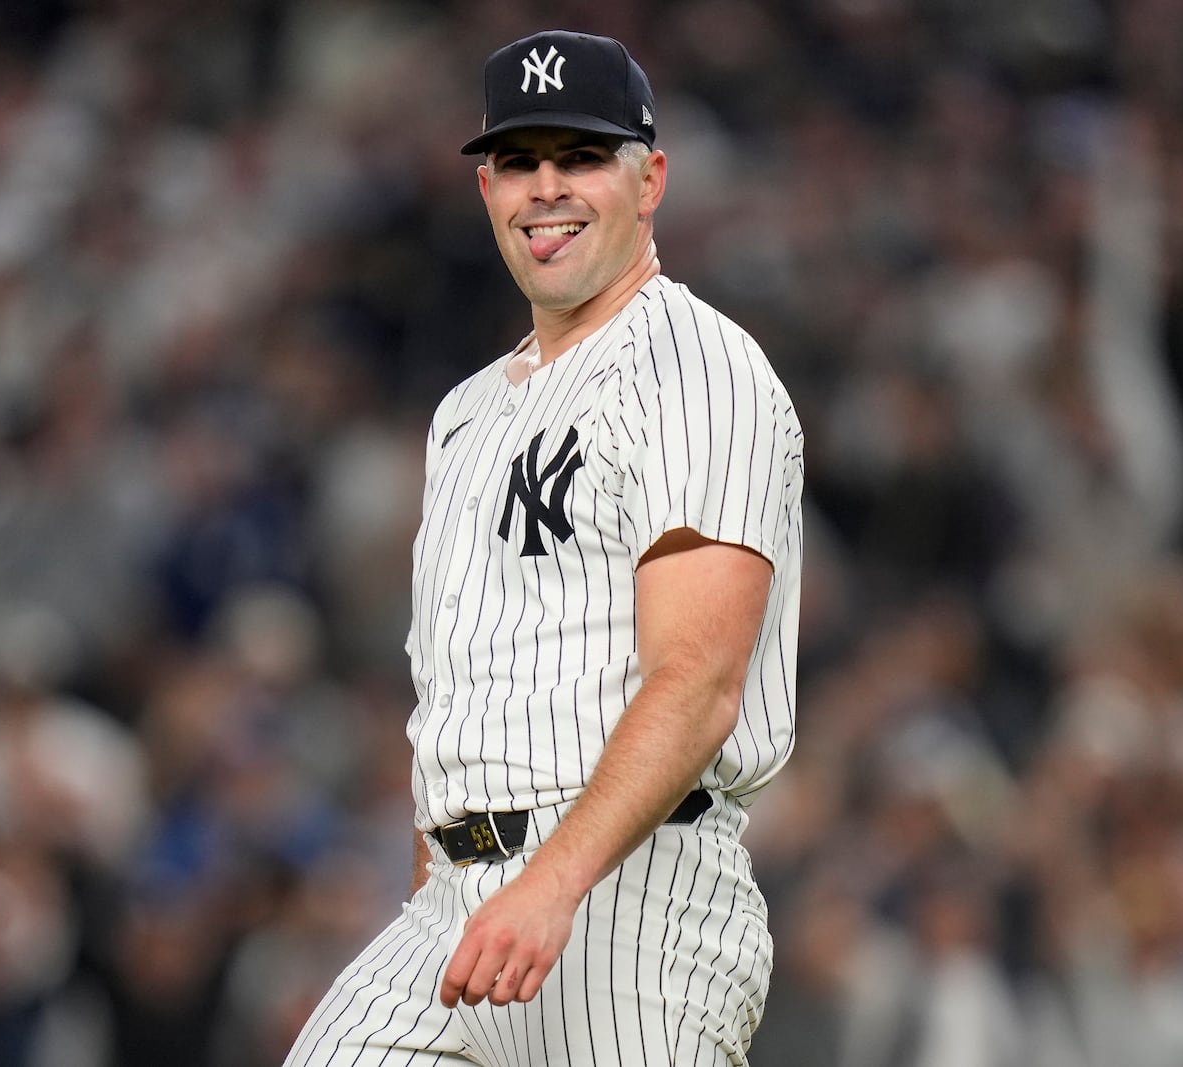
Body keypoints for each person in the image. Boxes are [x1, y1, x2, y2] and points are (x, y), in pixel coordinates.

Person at [283, 28, 805, 1067]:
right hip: (459, 901)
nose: (545, 188)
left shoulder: (696, 368)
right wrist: (444, 863)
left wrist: (554, 879)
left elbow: (699, 678)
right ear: (486, 187)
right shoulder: (467, 413)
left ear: (648, 178)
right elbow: (464, 684)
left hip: (630, 900)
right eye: (519, 160)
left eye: (580, 156)